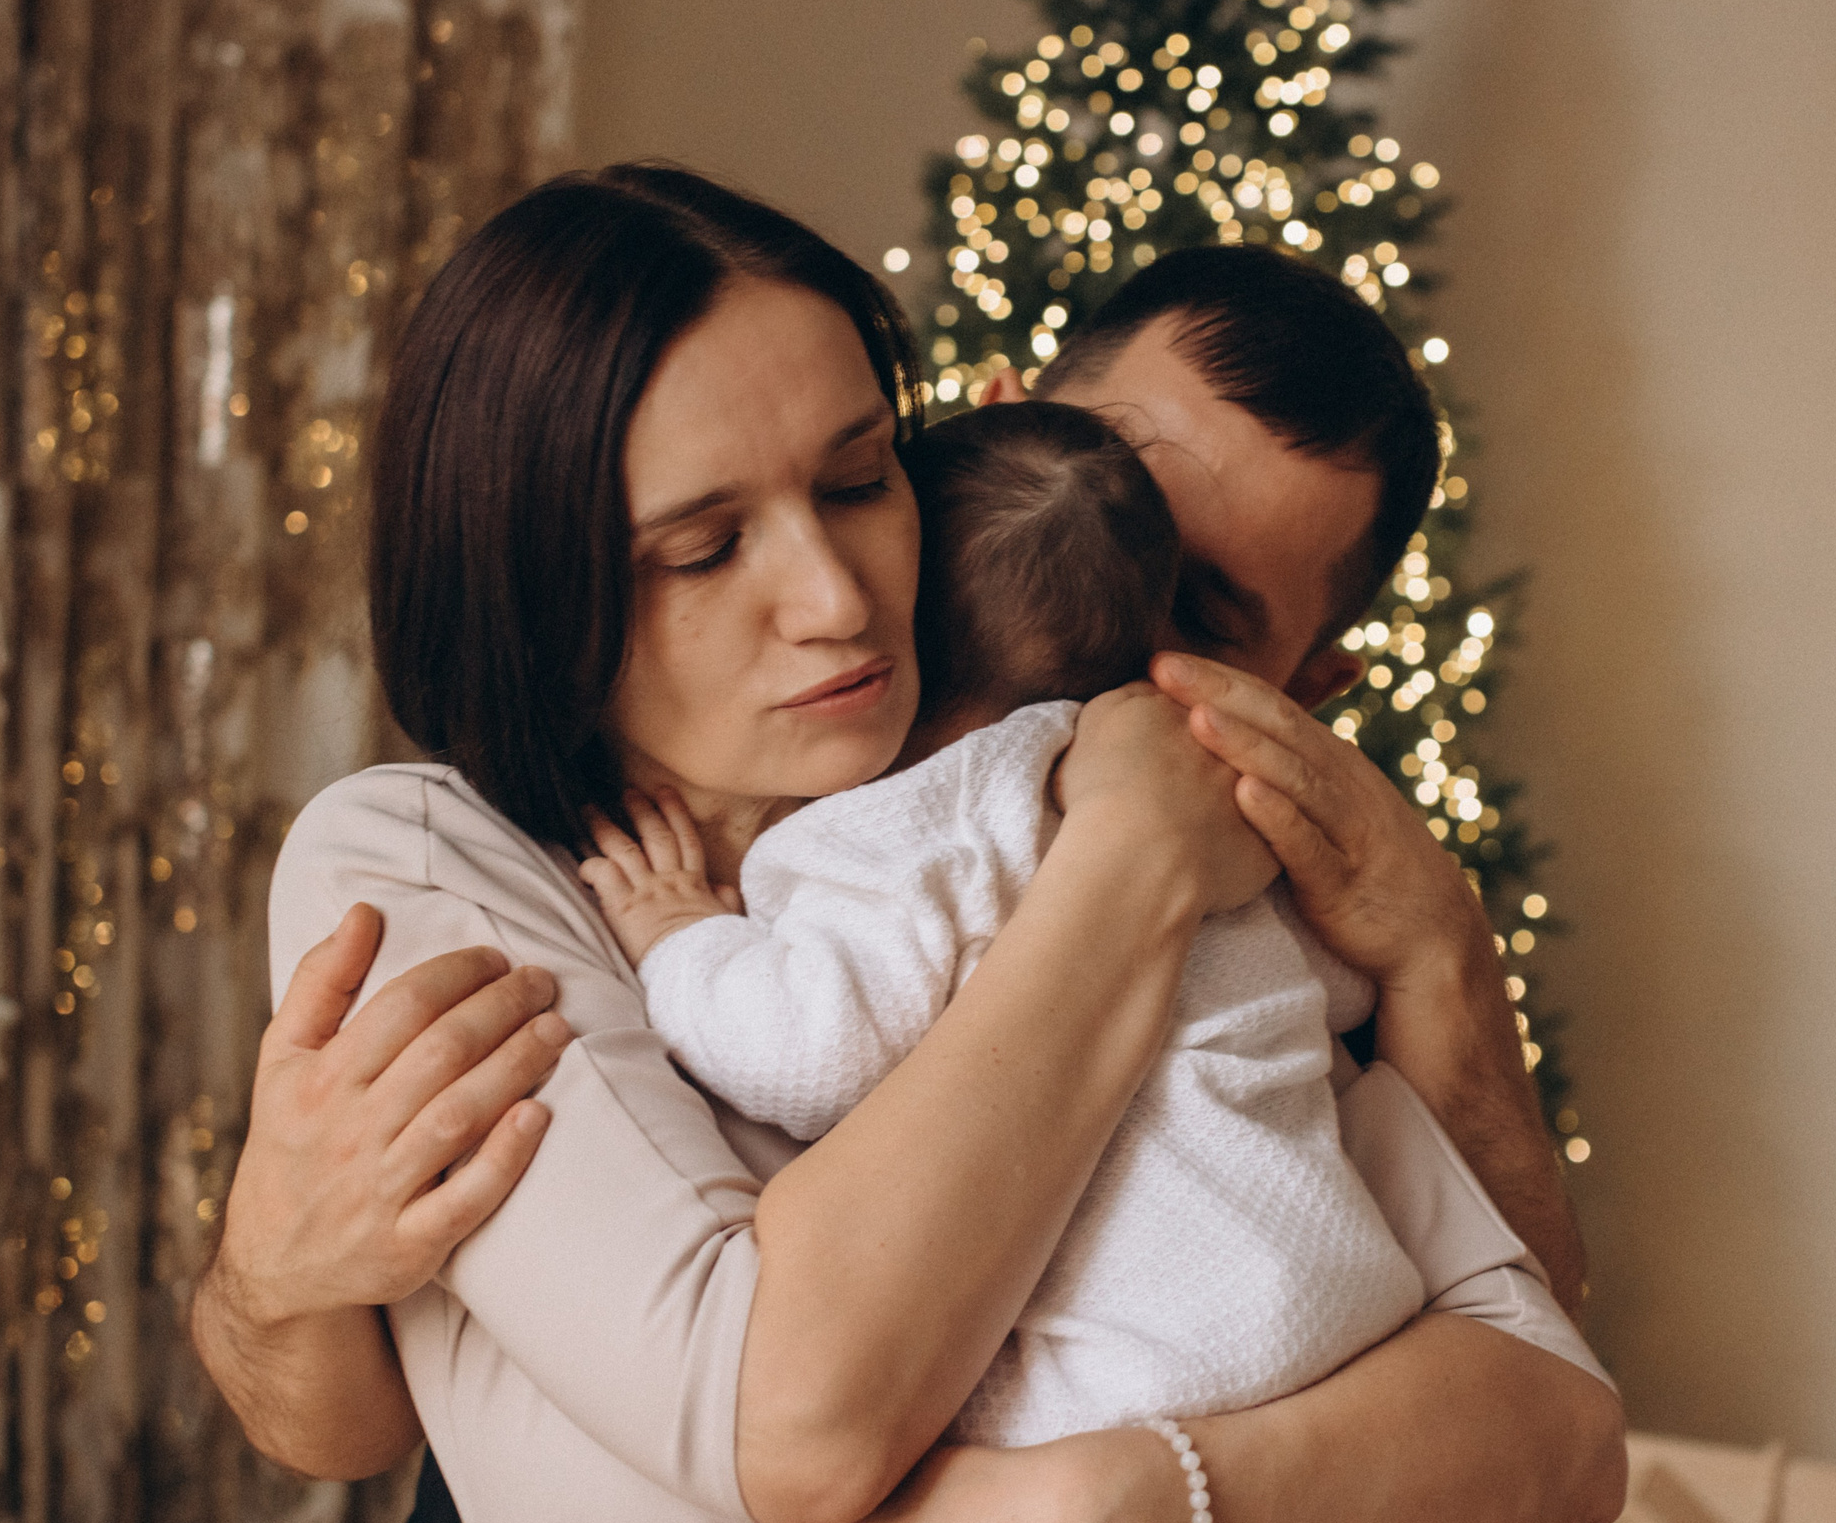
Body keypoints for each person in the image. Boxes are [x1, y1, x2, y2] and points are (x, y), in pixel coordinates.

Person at [192, 168, 1622, 1523]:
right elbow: (369, 1412)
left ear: (1306, 686)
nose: (1086, 629)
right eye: (703, 545)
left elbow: (1553, 1421)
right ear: (994, 439)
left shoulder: (1262, 881)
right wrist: (263, 1286)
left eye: (853, 480)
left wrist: (1440, 951)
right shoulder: (463, 864)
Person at [591, 398, 1521, 1451]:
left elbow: (808, 1052)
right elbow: (1335, 992)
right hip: (1350, 1298)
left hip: (1138, 1371)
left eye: (1209, 620)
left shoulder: (886, 827)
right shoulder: (1227, 811)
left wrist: (679, 939)